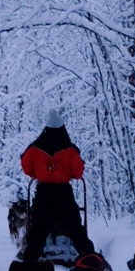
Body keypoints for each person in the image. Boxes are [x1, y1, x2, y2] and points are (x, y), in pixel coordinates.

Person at [20, 111, 91, 262]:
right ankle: (89, 256)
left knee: (38, 229)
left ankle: (29, 261)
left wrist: (40, 172)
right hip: (63, 192)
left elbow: (27, 168)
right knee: (74, 226)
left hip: (44, 192)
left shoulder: (34, 148)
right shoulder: (70, 149)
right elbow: (78, 172)